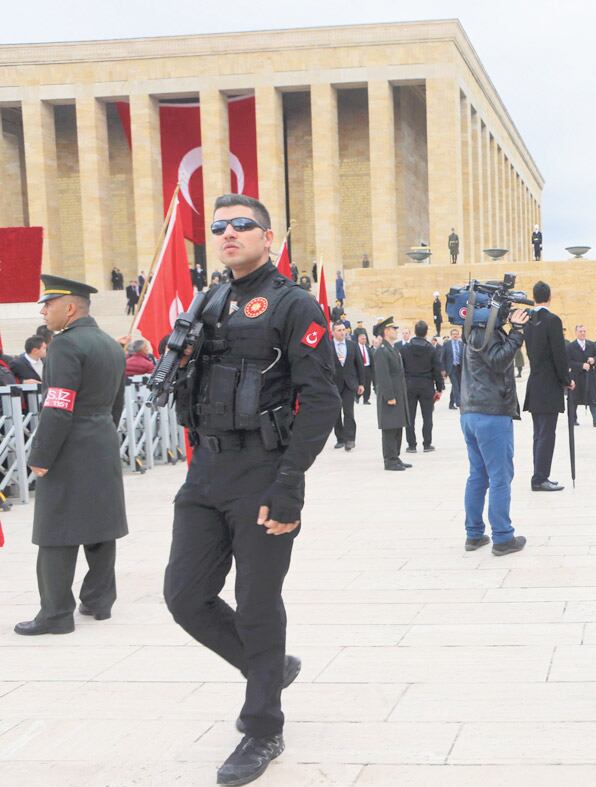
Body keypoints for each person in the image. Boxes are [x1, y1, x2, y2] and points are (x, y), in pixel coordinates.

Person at [161, 194, 339, 786]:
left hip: (263, 471)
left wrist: (290, 482)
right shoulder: (209, 298)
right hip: (204, 472)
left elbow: (321, 400)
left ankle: (263, 725)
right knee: (185, 597)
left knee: (259, 602)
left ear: (268, 236)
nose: (229, 233)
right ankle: (269, 667)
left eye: (242, 225)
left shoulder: (294, 304)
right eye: (219, 227)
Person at [15, 275, 128, 637]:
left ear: (70, 308)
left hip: (70, 444)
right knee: (100, 523)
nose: (44, 311)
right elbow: (117, 403)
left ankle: (56, 613)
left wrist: (41, 454)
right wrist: (103, 432)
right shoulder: (111, 345)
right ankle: (99, 601)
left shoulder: (64, 346)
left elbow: (58, 406)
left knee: (54, 530)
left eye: (48, 305)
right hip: (102, 440)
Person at [460, 302, 530, 554]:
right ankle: (502, 537)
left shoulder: (473, 331)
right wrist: (517, 332)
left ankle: (474, 534)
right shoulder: (486, 333)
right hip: (491, 413)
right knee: (500, 476)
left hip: (471, 411)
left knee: (478, 474)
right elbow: (499, 361)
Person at [522, 281, 573, 492]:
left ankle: (539, 474)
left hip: (535, 384)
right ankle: (540, 477)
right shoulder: (552, 320)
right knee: (546, 434)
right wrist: (567, 380)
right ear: (549, 297)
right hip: (549, 385)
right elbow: (559, 355)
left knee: (539, 433)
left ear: (534, 297)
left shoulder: (528, 321)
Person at [399, 320, 445, 453]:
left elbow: (401, 369)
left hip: (409, 385)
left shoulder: (405, 348)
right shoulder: (431, 348)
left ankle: (411, 445)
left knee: (410, 417)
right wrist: (440, 388)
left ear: (414, 331)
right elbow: (437, 369)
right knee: (427, 416)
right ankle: (427, 444)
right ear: (426, 332)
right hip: (426, 385)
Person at [372, 319, 411, 471]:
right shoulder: (382, 350)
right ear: (386, 331)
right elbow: (383, 376)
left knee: (398, 426)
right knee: (390, 428)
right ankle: (389, 460)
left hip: (398, 394)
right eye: (393, 328)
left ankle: (396, 456)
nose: (396, 330)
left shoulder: (392, 348)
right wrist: (389, 396)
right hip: (390, 396)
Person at [330, 322, 364, 450]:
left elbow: (359, 365)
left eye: (343, 330)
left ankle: (350, 439)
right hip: (333, 385)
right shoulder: (328, 346)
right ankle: (340, 438)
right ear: (333, 332)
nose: (342, 332)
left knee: (349, 412)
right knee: (336, 413)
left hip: (350, 384)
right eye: (339, 330)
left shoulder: (352, 346)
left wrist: (361, 383)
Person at [567, 325, 596, 427]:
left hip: (589, 376)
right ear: (576, 332)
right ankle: (572, 420)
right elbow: (568, 362)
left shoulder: (591, 344)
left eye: (584, 331)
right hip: (576, 377)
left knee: (592, 398)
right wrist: (581, 365)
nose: (583, 333)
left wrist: (593, 360)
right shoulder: (570, 346)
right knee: (574, 400)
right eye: (580, 331)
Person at [442, 328, 464, 410]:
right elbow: (442, 357)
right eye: (453, 334)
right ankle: (459, 403)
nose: (455, 335)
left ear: (459, 335)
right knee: (455, 385)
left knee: (457, 386)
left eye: (457, 334)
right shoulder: (446, 344)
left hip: (460, 367)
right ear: (451, 335)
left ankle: (451, 404)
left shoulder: (462, 344)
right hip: (451, 368)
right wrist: (443, 369)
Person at [356, 332, 374, 404]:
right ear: (358, 339)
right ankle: (357, 396)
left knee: (368, 384)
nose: (364, 340)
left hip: (367, 368)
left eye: (365, 339)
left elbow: (370, 358)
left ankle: (366, 399)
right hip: (359, 368)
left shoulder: (367, 347)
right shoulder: (356, 347)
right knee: (360, 383)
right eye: (362, 339)